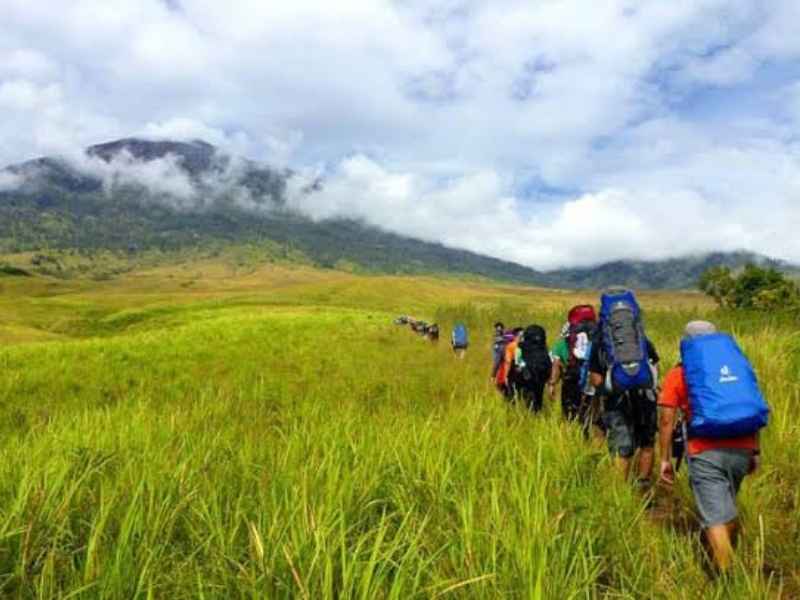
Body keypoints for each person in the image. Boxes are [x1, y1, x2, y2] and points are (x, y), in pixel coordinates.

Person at [658, 320, 767, 572]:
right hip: (743, 447)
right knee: (726, 509)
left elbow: (666, 419)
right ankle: (721, 556)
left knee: (716, 518)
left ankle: (726, 579)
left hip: (704, 450)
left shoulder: (680, 373)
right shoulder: (737, 367)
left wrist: (664, 459)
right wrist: (756, 451)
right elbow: (751, 406)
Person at [589, 292, 660, 487]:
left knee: (622, 446)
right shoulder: (642, 341)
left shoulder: (600, 344)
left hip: (616, 400)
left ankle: (620, 492)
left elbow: (595, 379)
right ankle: (643, 486)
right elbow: (654, 367)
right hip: (646, 397)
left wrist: (607, 390)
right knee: (646, 443)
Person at [515, 325, 553, 413]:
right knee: (538, 397)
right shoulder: (543, 349)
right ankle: (536, 413)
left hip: (527, 377)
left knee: (527, 400)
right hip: (541, 376)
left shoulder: (522, 347)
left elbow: (518, 363)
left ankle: (530, 415)